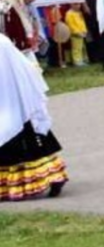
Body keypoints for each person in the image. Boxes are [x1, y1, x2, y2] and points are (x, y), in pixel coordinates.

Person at [0, 33, 67, 201]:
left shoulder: (2, 43)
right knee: (21, 139)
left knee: (22, 138)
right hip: (14, 100)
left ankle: (50, 177)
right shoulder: (4, 41)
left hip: (13, 100)